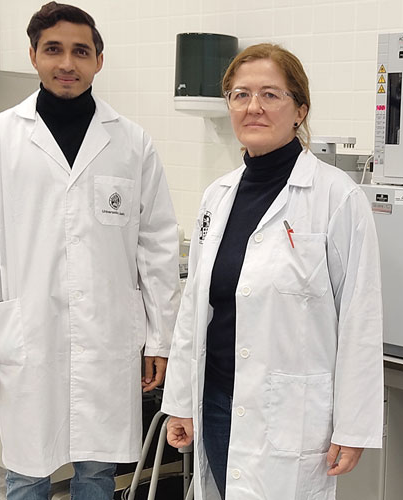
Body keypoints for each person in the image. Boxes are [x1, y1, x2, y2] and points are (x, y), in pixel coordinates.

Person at [0, 3, 181, 499]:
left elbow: (156, 246)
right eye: (53, 50)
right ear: (33, 55)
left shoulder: (132, 142)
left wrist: (160, 339)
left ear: (99, 60)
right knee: (27, 471)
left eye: (81, 51)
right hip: (29, 330)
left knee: (97, 471)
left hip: (107, 334)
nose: (67, 63)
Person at [162, 43, 384, 500]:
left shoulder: (337, 197)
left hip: (290, 412)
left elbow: (360, 317)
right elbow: (194, 309)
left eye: (270, 94)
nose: (253, 107)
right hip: (218, 403)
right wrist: (181, 401)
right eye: (240, 95)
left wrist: (353, 425)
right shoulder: (217, 196)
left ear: (300, 110)